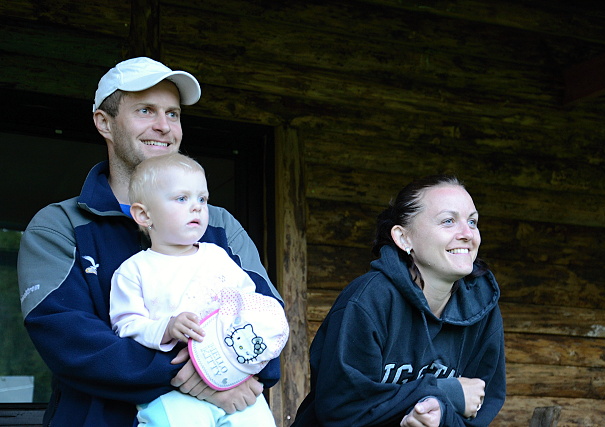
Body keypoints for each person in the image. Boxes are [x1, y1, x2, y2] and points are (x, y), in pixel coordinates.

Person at [17, 57, 283, 426]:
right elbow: (67, 338)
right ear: (104, 122)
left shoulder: (219, 224)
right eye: (146, 110)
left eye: (173, 114)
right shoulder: (59, 225)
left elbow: (266, 315)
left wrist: (226, 370)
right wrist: (202, 376)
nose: (164, 126)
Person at [293, 175, 506, 427]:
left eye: (472, 221)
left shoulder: (481, 305)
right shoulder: (368, 300)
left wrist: (438, 415)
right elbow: (341, 408)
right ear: (404, 238)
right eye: (448, 221)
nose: (467, 234)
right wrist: (443, 392)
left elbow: (477, 411)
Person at [109, 153, 289, 426]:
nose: (196, 207)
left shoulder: (218, 256)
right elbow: (126, 325)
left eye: (202, 199)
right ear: (144, 215)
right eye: (182, 198)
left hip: (233, 377)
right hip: (173, 392)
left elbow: (250, 304)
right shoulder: (134, 270)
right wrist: (167, 328)